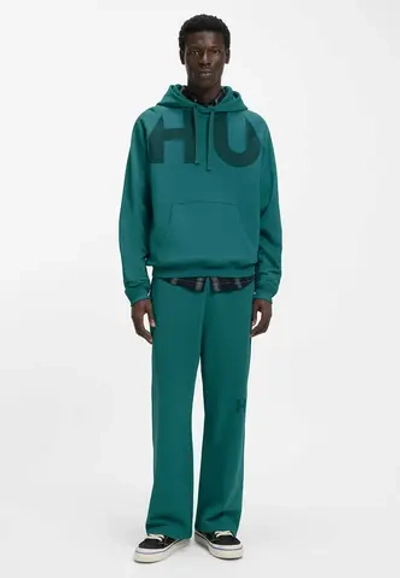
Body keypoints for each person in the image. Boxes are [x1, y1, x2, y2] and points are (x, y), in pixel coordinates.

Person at [118, 13, 282, 563]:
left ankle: (218, 521)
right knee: (170, 408)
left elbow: (268, 211)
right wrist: (137, 289)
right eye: (196, 50)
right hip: (173, 287)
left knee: (229, 407)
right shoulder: (151, 125)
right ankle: (168, 523)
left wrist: (267, 285)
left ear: (227, 55)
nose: (205, 59)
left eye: (214, 50)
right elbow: (133, 211)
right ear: (182, 55)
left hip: (236, 289)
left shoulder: (253, 129)